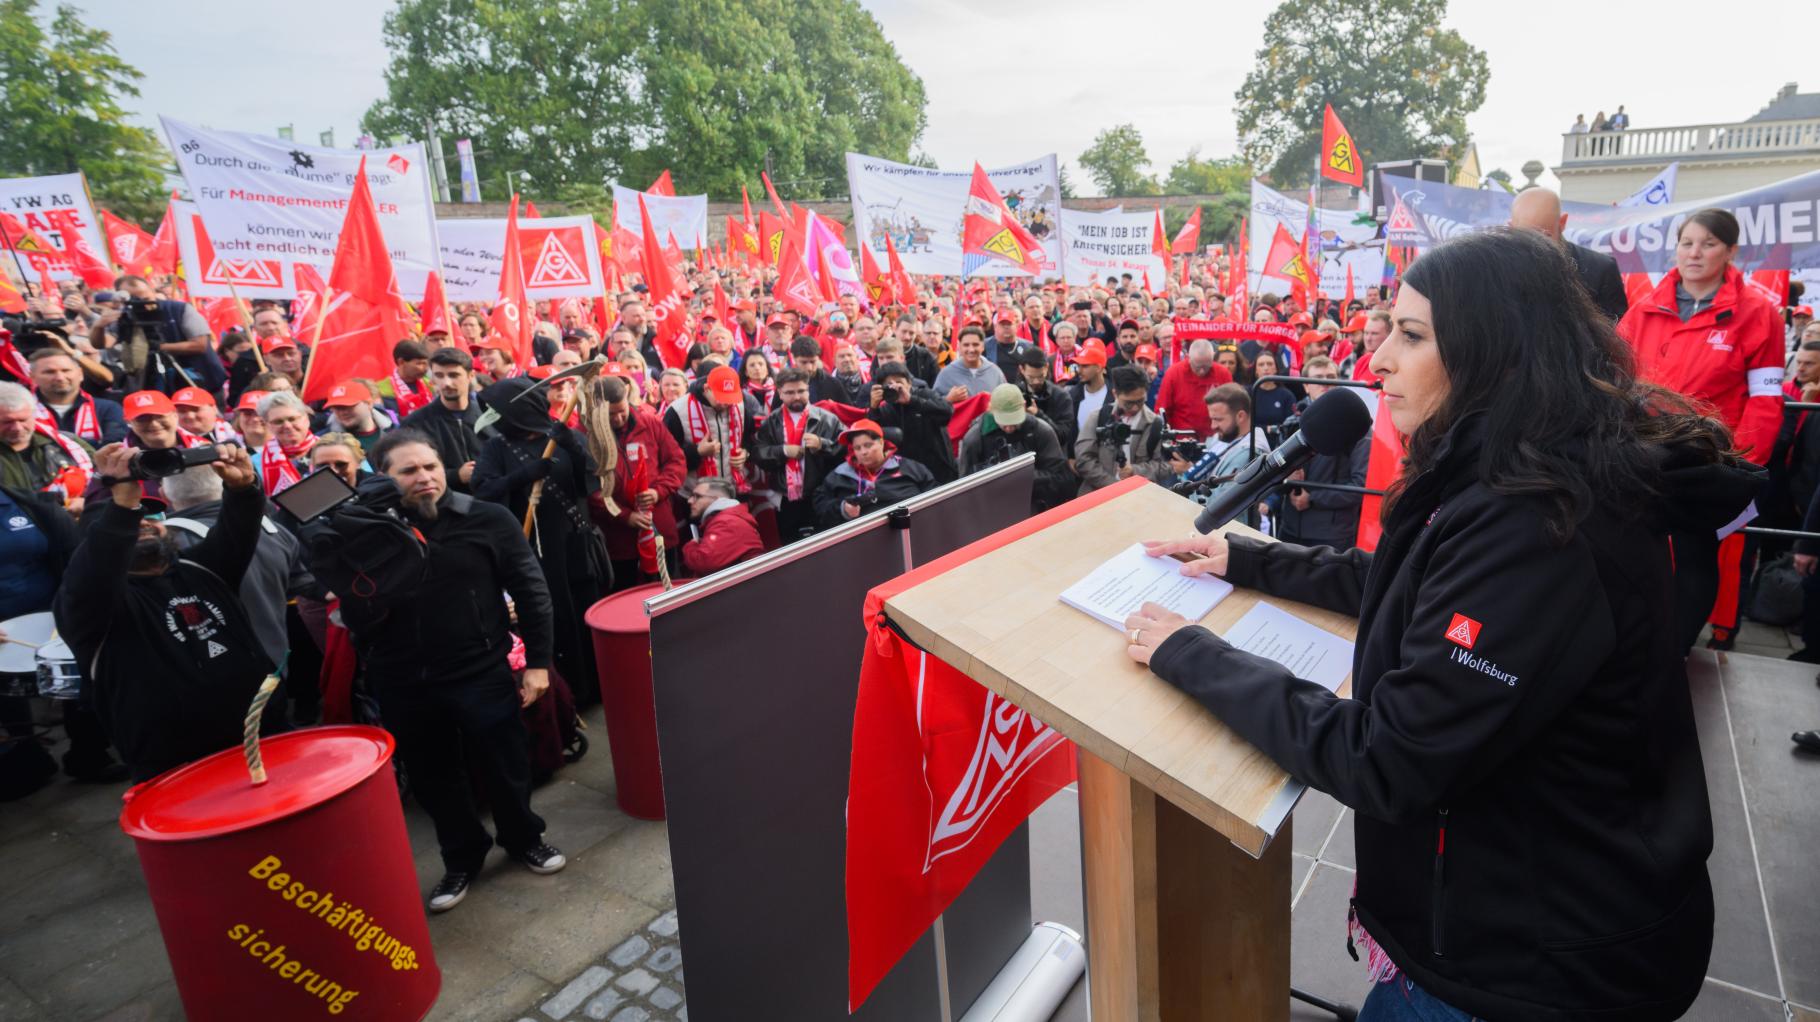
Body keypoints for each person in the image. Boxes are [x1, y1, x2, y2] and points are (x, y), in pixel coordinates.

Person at [1124, 229, 1744, 1022]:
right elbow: (1414, 582)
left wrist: (1192, 655)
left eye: (1411, 336)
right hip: (1514, 925)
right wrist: (1245, 561)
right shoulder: (1516, 465)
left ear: (1499, 353)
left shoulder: (1536, 524)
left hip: (1527, 969)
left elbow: (1385, 757)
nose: (1377, 358)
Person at [347, 430, 565, 911]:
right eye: (408, 471)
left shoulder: (487, 518)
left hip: (479, 667)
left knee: (505, 761)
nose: (423, 478)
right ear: (382, 478)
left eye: (429, 467)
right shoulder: (362, 530)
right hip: (404, 679)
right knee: (433, 775)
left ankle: (523, 836)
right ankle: (462, 857)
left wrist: (538, 664)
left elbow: (531, 591)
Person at [55, 442, 282, 781]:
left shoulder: (202, 569)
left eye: (151, 515)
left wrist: (242, 487)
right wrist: (122, 505)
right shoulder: (90, 605)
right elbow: (96, 568)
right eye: (132, 518)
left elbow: (238, 528)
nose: (143, 522)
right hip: (176, 764)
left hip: (267, 735)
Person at [1619, 208, 1785, 650]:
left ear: (1730, 251)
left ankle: (1676, 649)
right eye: (1687, 242)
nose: (1694, 253)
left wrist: (1742, 465)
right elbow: (1615, 379)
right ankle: (1634, 638)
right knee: (1636, 548)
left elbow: (1766, 398)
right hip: (1644, 452)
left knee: (1696, 553)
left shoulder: (1758, 313)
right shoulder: (1644, 309)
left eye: (1708, 244)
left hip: (1708, 457)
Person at [471, 378, 610, 705]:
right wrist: (522, 475)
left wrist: (573, 448)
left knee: (586, 611)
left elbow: (587, 484)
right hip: (538, 551)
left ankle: (600, 687)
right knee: (557, 617)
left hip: (576, 544)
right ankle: (573, 692)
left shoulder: (565, 436)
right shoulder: (496, 447)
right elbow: (484, 490)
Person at [589, 374, 686, 589]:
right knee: (626, 596)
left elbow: (676, 462)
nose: (618, 418)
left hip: (659, 527)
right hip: (619, 540)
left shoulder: (650, 424)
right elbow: (592, 491)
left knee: (670, 589)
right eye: (611, 414)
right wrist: (624, 515)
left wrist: (658, 491)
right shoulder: (587, 436)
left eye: (622, 411)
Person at [1508, 188, 1628, 322]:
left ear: (1562, 223)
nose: (1535, 247)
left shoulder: (1600, 270)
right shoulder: (1499, 270)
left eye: (1544, 236)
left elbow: (1617, 336)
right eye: (1525, 237)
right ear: (1511, 228)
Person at [752, 369, 844, 541]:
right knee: (790, 547)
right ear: (779, 392)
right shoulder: (771, 421)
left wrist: (822, 444)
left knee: (824, 545)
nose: (796, 396)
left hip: (820, 495)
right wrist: (783, 451)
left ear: (808, 390)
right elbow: (758, 453)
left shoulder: (827, 419)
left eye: (801, 391)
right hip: (786, 498)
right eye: (789, 392)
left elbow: (846, 449)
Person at [958, 383, 1073, 513]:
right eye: (1004, 422)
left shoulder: (1040, 431)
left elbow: (1061, 478)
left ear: (1024, 406)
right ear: (990, 410)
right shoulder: (975, 439)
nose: (1009, 428)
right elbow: (965, 489)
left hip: (1035, 506)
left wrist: (1021, 476)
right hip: (992, 512)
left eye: (1014, 421)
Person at [813, 418, 936, 526]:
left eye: (868, 445)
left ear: (882, 443)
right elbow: (820, 507)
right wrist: (842, 508)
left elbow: (936, 497)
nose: (863, 452)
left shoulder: (911, 468)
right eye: (857, 448)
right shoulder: (839, 475)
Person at [402, 347, 487, 494]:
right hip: (448, 504)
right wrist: (456, 476)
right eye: (439, 375)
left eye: (454, 375)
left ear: (470, 375)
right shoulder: (416, 423)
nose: (446, 383)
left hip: (496, 499)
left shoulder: (488, 415)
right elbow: (409, 472)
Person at [1076, 365, 1172, 494]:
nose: (1134, 408)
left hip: (1140, 496)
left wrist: (1134, 471)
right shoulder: (1098, 417)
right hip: (1098, 496)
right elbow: (1083, 460)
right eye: (1128, 403)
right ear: (1115, 393)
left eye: (1140, 401)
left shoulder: (1156, 424)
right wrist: (1114, 486)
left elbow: (1165, 465)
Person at [0, 380, 92, 500]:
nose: (17, 428)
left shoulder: (70, 443)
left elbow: (101, 481)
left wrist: (84, 501)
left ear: (33, 415)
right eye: (7, 422)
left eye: (23, 420)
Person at [868, 360, 957, 484]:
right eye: (889, 384)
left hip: (939, 468)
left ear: (909, 383)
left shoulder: (924, 394)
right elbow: (872, 437)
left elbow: (946, 411)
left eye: (899, 382)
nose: (895, 387)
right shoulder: (884, 410)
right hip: (908, 474)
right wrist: (873, 408)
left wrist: (912, 400)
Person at [30, 348, 124, 446]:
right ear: (33, 377)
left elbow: (114, 448)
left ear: (80, 374)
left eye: (66, 370)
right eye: (49, 372)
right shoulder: (20, 411)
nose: (60, 377)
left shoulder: (107, 408)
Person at [680, 476, 765, 575]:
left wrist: (691, 546)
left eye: (697, 496)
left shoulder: (726, 523)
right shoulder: (724, 519)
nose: (689, 500)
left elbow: (704, 562)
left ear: (716, 499)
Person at [1154, 341, 1234, 440]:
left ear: (1213, 358)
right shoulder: (1174, 373)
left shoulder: (1223, 373)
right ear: (1188, 357)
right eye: (1197, 367)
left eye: (1206, 367)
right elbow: (1162, 410)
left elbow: (1231, 408)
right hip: (1183, 438)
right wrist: (1168, 438)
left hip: (1215, 438)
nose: (1202, 371)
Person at [934, 327, 1006, 401]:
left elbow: (1005, 401)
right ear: (960, 347)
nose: (971, 349)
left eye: (975, 345)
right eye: (966, 345)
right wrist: (948, 399)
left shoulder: (995, 372)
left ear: (983, 347)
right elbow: (934, 406)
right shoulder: (947, 374)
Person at [321, 381, 390, 457]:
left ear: (369, 404)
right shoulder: (324, 443)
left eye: (348, 406)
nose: (342, 412)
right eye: (336, 408)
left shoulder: (395, 431)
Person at [377, 339, 435, 419]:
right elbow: (390, 421)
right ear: (401, 362)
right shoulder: (382, 390)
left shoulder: (430, 384)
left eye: (426, 364)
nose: (425, 368)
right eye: (419, 363)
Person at [1250, 351, 1297, 430]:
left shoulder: (1287, 395)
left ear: (1275, 369)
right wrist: (1267, 429)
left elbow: (1291, 423)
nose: (1266, 368)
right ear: (1256, 371)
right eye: (1261, 365)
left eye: (1270, 364)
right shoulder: (1248, 393)